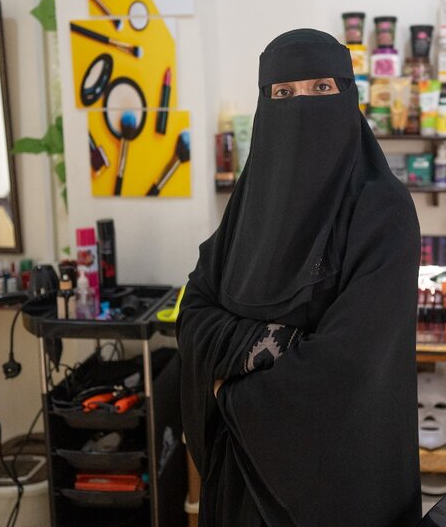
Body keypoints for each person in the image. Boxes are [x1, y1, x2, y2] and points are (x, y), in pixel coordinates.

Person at [176, 28, 421, 527]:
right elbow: (193, 311)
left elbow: (348, 366)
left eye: (321, 88)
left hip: (336, 488)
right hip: (237, 479)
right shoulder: (249, 206)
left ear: (349, 97)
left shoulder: (383, 211)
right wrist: (281, 342)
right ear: (265, 105)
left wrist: (229, 392)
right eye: (283, 93)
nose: (301, 104)